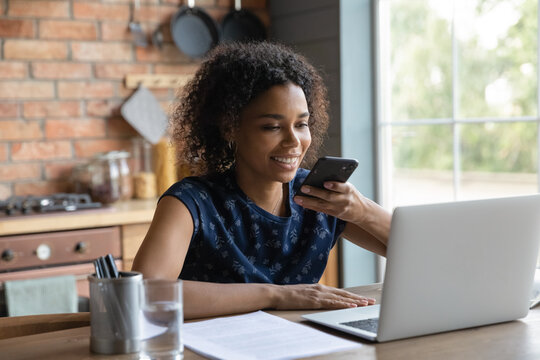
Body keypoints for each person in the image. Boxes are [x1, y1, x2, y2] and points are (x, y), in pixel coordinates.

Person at [132, 42, 391, 319]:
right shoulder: (190, 202)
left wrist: (363, 210)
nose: (294, 141)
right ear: (230, 127)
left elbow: (425, 253)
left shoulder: (316, 195)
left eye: (301, 124)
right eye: (272, 127)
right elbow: (146, 293)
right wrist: (277, 294)